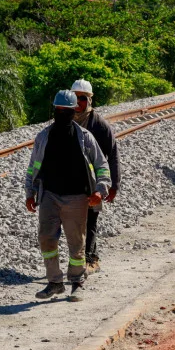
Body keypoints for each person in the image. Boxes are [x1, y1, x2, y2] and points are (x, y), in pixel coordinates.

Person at [25, 90, 112, 301]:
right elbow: (33, 166)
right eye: (58, 110)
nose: (61, 113)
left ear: (74, 112)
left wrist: (101, 190)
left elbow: (102, 165)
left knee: (76, 242)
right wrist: (30, 192)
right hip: (49, 196)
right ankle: (54, 282)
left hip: (76, 197)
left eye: (66, 110)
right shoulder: (44, 136)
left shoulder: (85, 137)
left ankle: (77, 281)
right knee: (46, 239)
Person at [70, 79, 120, 275]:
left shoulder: (99, 125)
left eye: (82, 98)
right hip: (71, 182)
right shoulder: (65, 120)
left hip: (92, 184)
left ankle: (89, 260)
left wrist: (113, 185)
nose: (78, 102)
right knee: (75, 223)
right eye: (75, 97)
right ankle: (91, 256)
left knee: (90, 220)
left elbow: (113, 154)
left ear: (89, 100)